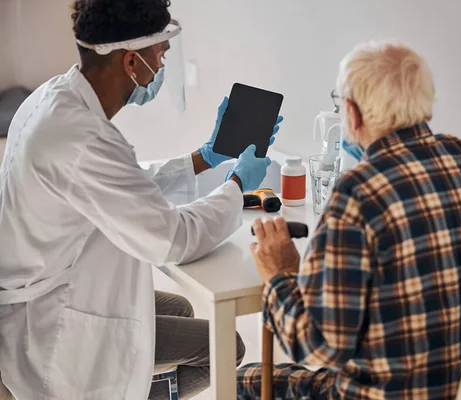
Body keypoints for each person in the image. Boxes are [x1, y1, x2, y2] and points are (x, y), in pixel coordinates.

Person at [0, 0, 281, 399]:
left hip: (53, 284)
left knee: (180, 309)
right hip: (51, 330)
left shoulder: (55, 99)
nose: (162, 67)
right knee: (226, 345)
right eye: (161, 56)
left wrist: (206, 157)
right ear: (132, 62)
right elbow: (173, 239)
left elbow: (125, 187)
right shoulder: (83, 137)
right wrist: (237, 183)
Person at [238, 41, 461, 399]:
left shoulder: (357, 190)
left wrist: (280, 274)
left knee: (241, 381)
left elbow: (319, 349)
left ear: (351, 112)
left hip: (380, 393)